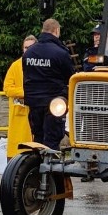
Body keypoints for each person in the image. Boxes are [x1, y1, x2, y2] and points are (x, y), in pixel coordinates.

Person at [23, 18, 74, 150]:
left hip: (34, 103)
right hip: (54, 104)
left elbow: (26, 75)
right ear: (56, 30)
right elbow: (70, 77)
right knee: (52, 140)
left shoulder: (28, 53)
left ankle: (37, 166)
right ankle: (50, 168)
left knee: (37, 138)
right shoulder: (60, 53)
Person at [3, 35, 37, 158]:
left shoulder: (42, 65)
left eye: (31, 47)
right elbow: (7, 88)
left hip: (37, 114)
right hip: (19, 115)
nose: (28, 50)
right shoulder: (15, 66)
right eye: (25, 47)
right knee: (17, 149)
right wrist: (26, 92)